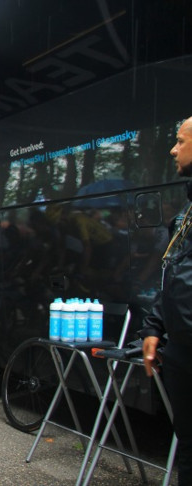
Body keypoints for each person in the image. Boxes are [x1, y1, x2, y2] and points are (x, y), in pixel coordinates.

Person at [141, 117, 192, 485]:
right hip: (182, 354)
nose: (173, 149)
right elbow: (174, 275)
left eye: (180, 140)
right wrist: (156, 325)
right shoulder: (187, 210)